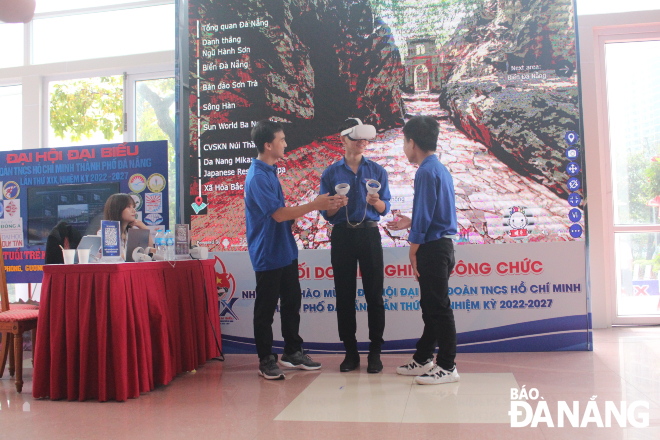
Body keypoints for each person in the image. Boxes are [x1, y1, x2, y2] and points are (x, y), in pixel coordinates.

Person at [245, 119, 341, 380]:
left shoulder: (270, 171)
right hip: (267, 251)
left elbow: (280, 213)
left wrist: (292, 217)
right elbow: (276, 215)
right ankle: (266, 359)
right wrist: (314, 204)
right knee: (265, 310)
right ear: (268, 144)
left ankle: (292, 351)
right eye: (282, 140)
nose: (286, 143)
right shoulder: (257, 176)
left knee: (291, 302)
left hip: (285, 249)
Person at [387, 115, 459, 385]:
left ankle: (448, 366)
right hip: (440, 246)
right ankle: (423, 358)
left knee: (438, 308)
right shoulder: (437, 168)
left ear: (412, 142)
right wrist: (411, 220)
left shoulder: (426, 172)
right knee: (430, 307)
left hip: (433, 248)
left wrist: (412, 249)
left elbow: (427, 219)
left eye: (404, 142)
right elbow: (430, 212)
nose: (404, 148)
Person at [320, 118, 391, 374]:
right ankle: (350, 352)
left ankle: (375, 352)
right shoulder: (330, 173)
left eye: (365, 139)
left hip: (369, 235)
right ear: (343, 139)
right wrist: (333, 206)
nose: (362, 142)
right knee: (345, 295)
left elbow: (385, 209)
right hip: (342, 236)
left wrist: (376, 202)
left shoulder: (377, 170)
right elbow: (325, 214)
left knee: (375, 295)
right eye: (357, 137)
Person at [102, 193, 154, 260]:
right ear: (117, 209)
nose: (134, 211)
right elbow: (112, 258)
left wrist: (144, 228)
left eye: (133, 207)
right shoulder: (108, 231)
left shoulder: (129, 233)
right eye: (129, 207)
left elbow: (149, 252)